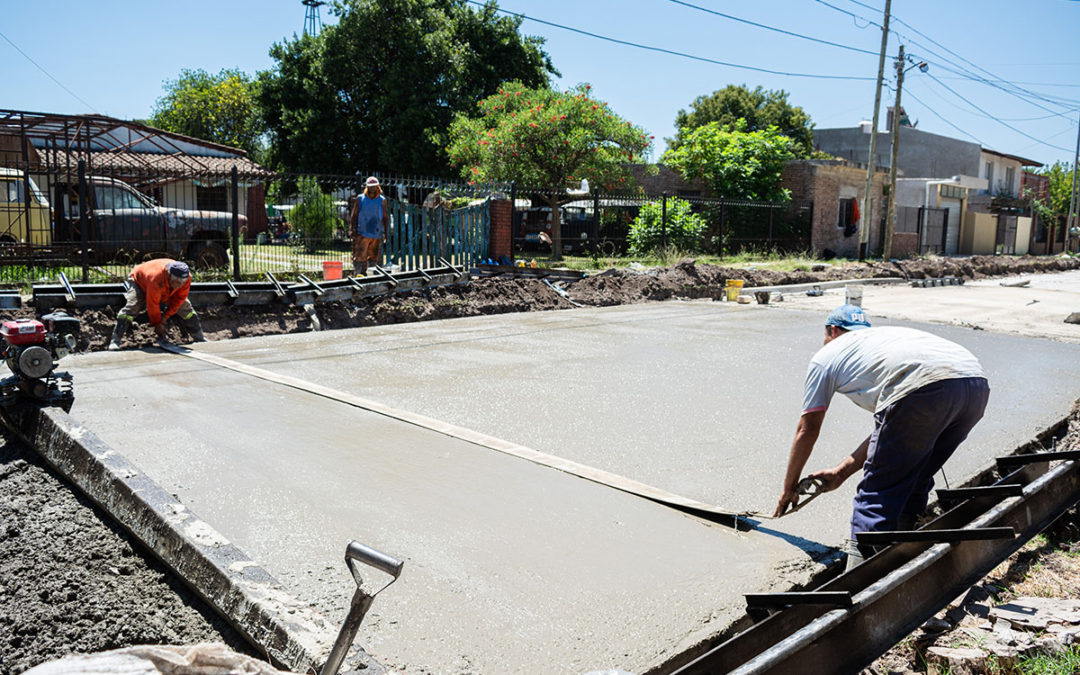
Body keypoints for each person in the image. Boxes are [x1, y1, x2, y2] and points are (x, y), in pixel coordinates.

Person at [772, 304, 989, 566]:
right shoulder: (883, 342)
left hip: (923, 386)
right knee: (915, 476)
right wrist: (841, 472)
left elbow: (808, 428)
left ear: (831, 330)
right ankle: (902, 558)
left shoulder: (826, 356)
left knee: (877, 494)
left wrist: (788, 489)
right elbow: (891, 427)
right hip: (974, 386)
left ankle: (860, 581)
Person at [108, 259, 205, 350]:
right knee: (134, 305)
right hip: (138, 280)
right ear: (169, 275)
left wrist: (165, 317)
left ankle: (199, 337)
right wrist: (158, 324)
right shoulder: (156, 278)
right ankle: (115, 340)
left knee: (185, 307)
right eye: (176, 282)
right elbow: (153, 305)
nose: (179, 285)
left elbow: (179, 299)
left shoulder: (186, 278)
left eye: (181, 283)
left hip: (161, 285)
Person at [347, 176, 390, 276]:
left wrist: (386, 232)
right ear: (367, 187)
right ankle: (358, 274)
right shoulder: (360, 198)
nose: (372, 188)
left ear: (377, 187)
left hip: (376, 233)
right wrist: (352, 229)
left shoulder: (382, 200)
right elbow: (355, 214)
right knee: (360, 256)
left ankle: (373, 276)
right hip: (362, 232)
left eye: (374, 186)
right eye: (370, 186)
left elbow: (385, 216)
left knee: (374, 257)